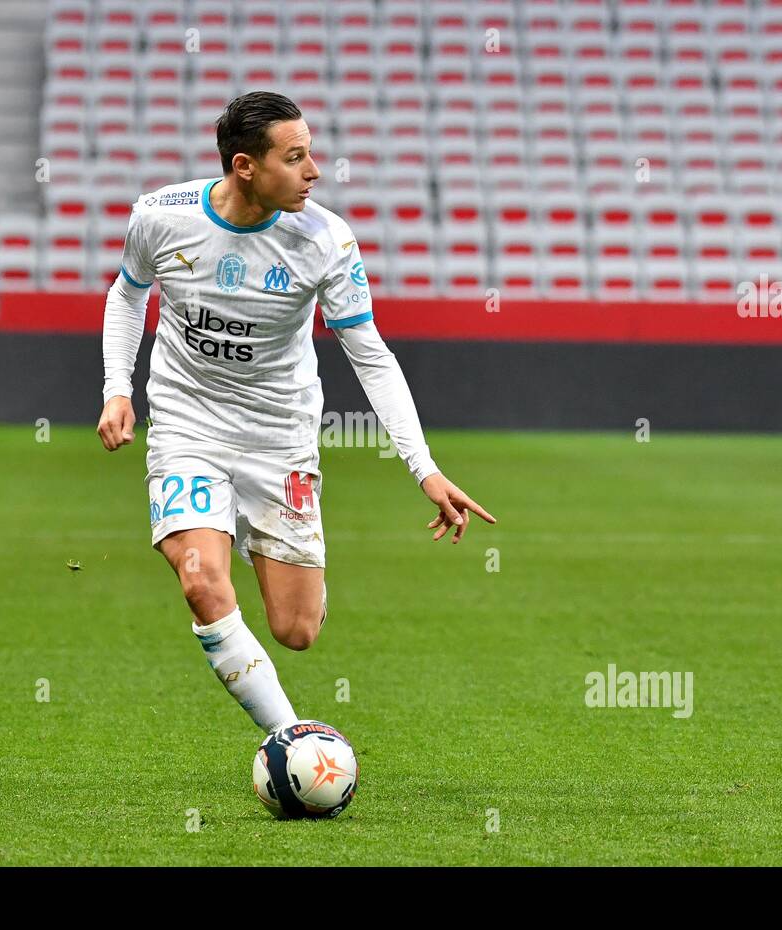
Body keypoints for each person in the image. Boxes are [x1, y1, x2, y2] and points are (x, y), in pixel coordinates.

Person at [97, 91, 495, 734]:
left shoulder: (325, 240)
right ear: (245, 166)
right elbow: (127, 294)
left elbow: (370, 355)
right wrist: (120, 388)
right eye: (297, 156)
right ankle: (291, 738)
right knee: (201, 583)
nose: (315, 172)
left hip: (280, 437)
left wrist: (424, 468)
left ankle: (261, 538)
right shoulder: (160, 217)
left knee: (296, 629)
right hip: (187, 425)